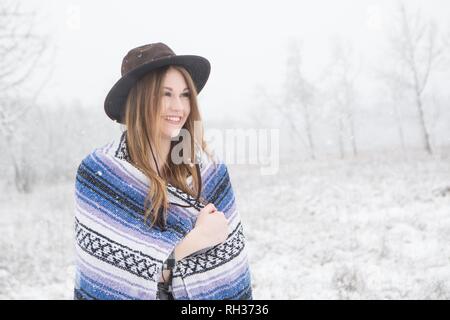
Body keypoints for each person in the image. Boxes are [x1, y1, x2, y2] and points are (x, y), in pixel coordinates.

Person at [73, 42, 253, 300]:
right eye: (165, 94)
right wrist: (193, 243)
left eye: (185, 95)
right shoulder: (101, 175)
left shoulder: (211, 173)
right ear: (139, 100)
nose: (178, 107)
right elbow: (111, 280)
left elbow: (232, 272)